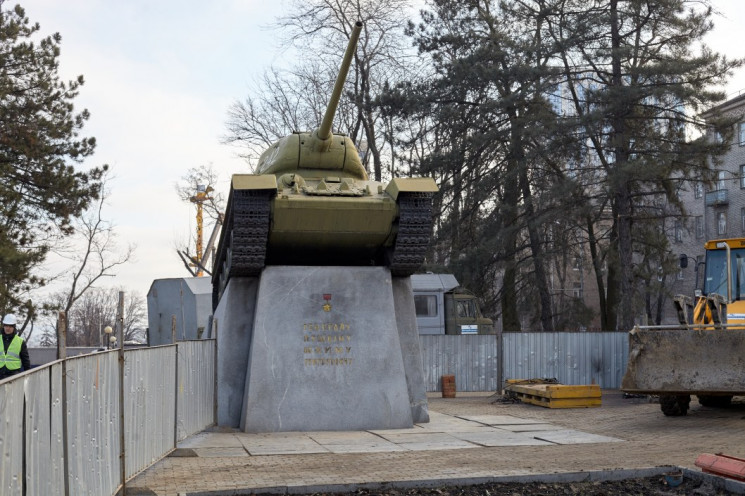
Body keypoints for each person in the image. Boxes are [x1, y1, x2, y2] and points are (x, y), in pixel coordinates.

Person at [0, 313, 31, 380]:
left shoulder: (20, 341)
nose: (7, 328)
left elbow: (25, 360)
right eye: (6, 326)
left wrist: (28, 375)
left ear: (14, 327)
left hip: (14, 374)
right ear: (3, 326)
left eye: (10, 326)